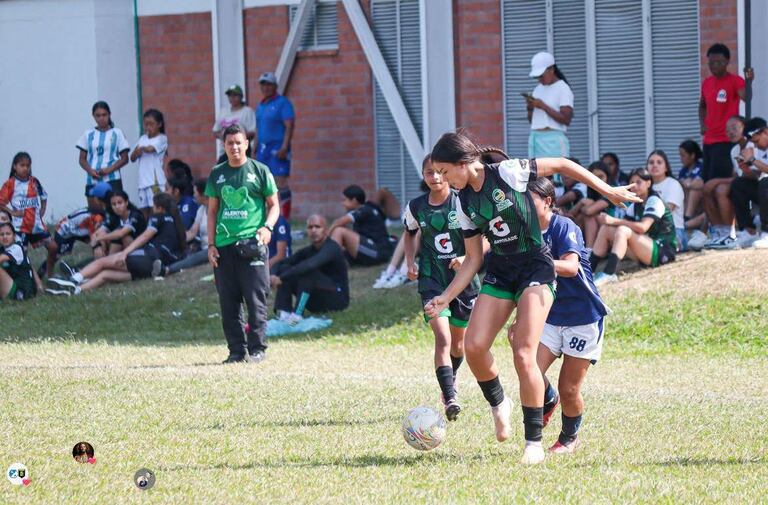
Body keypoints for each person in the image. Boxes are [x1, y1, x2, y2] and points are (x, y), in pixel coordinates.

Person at [424, 131, 638, 464]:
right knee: (475, 346)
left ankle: (533, 443)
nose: (440, 178)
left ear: (464, 163)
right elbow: (474, 260)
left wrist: (606, 189)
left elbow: (564, 164)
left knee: (524, 353)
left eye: (445, 171)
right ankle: (499, 403)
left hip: (535, 268)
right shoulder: (463, 201)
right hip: (500, 269)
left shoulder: (508, 172)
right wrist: (446, 296)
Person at [527, 176, 608, 454]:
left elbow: (571, 267)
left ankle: (569, 438)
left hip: (583, 317)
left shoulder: (564, 226)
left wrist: (538, 261)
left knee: (570, 388)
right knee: (529, 369)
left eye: (530, 199)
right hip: (550, 315)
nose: (523, 205)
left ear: (548, 201)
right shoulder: (526, 231)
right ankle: (549, 400)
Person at [403, 156, 479, 421]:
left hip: (464, 282)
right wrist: (410, 262)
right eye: (429, 173)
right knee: (443, 338)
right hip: (431, 280)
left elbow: (485, 236)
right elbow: (410, 233)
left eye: (438, 172)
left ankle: (452, 376)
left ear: (447, 173)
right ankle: (449, 397)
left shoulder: (463, 201)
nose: (434, 177)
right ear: (423, 175)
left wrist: (467, 259)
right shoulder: (416, 207)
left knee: (459, 344)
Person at [206, 124, 280, 364]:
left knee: (256, 299)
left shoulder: (260, 171)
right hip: (224, 246)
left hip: (252, 244)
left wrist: (267, 227)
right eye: (230, 143)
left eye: (239, 142)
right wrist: (210, 245)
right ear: (224, 146)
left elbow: (274, 205)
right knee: (228, 303)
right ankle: (236, 352)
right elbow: (212, 211)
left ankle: (257, 349)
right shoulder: (217, 174)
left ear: (246, 144)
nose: (235, 147)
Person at [46, 193, 186, 295]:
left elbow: (144, 236)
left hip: (147, 258)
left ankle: (72, 280)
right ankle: (75, 291)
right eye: (114, 204)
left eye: (153, 206)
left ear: (160, 208)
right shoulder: (177, 224)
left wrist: (125, 253)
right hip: (152, 269)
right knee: (105, 274)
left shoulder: (157, 217)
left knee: (102, 263)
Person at [591, 168, 677, 285]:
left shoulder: (654, 200)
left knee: (622, 230)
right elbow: (619, 228)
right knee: (606, 229)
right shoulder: (635, 205)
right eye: (632, 183)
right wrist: (609, 221)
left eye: (638, 182)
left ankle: (609, 273)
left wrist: (613, 220)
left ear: (648, 183)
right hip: (646, 249)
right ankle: (588, 272)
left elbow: (642, 227)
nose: (634, 186)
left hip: (663, 252)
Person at [271, 214, 349, 323]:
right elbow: (282, 263)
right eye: (310, 227)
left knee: (308, 272)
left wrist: (282, 278)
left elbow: (310, 265)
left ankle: (297, 315)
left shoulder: (332, 248)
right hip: (315, 301)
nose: (313, 230)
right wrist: (274, 275)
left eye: (317, 227)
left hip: (337, 299)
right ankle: (285, 312)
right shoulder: (308, 251)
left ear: (326, 230)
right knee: (285, 268)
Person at [699, 44, 753, 184]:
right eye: (711, 62)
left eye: (718, 62)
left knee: (716, 183)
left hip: (725, 140)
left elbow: (746, 98)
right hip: (708, 141)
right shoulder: (707, 83)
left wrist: (749, 82)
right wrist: (702, 124)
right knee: (706, 181)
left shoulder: (735, 81)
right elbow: (702, 105)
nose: (714, 65)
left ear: (727, 62)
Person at [0, 152, 58, 277]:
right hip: (20, 227)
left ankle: (49, 273)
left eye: (28, 165)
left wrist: (42, 210)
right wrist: (12, 212)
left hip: (36, 225)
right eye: (22, 165)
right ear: (15, 166)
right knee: (22, 256)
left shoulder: (34, 181)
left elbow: (44, 196)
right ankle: (28, 279)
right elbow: (1, 203)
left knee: (53, 247)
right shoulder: (10, 184)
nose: (25, 168)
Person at [255, 72, 295, 218]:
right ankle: (267, 217)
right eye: (263, 84)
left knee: (280, 182)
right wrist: (254, 149)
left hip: (277, 148)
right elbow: (259, 128)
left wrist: (285, 146)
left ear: (275, 86)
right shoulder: (260, 105)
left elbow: (289, 125)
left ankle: (284, 218)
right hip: (262, 149)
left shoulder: (283, 103)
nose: (266, 87)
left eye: (268, 84)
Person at [77, 101, 130, 206]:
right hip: (93, 179)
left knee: (114, 212)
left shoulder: (117, 133)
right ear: (93, 116)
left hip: (113, 179)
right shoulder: (88, 134)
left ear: (109, 114)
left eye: (104, 115)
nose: (101, 118)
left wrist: (109, 169)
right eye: (98, 115)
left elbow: (125, 158)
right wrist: (90, 170)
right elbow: (82, 159)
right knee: (95, 214)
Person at [525, 52, 573, 162]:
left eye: (541, 75)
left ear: (551, 69)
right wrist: (530, 107)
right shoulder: (538, 89)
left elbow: (566, 119)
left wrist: (543, 106)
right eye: (537, 77)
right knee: (537, 175)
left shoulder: (563, 88)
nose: (539, 79)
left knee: (557, 175)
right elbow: (531, 120)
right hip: (536, 137)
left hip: (554, 140)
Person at [330, 185, 395, 266]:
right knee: (341, 244)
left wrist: (325, 236)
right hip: (375, 250)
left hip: (377, 252)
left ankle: (330, 267)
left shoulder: (364, 210)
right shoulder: (368, 208)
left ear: (353, 200)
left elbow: (339, 222)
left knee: (339, 231)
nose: (343, 203)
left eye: (344, 200)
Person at [729, 117, 768, 248]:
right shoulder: (760, 150)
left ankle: (766, 232)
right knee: (738, 184)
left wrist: (751, 159)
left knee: (765, 182)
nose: (755, 146)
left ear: (765, 133)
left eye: (756, 141)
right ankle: (748, 231)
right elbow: (758, 175)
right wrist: (745, 168)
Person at [165, 178, 210, 275]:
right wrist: (176, 242)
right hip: (202, 247)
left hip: (214, 249)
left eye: (195, 193)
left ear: (202, 194)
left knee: (193, 258)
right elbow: (192, 232)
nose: (194, 196)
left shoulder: (218, 209)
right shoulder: (201, 210)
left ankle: (168, 270)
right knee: (185, 253)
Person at [131, 109, 169, 218]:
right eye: (146, 124)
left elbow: (150, 149)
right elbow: (132, 158)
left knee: (156, 208)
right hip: (143, 181)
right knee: (144, 209)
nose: (148, 127)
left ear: (159, 124)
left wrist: (141, 149)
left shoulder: (162, 138)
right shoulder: (142, 138)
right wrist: (136, 152)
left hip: (155, 180)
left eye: (151, 124)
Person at [647, 150, 686, 251]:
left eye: (659, 162)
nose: (655, 165)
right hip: (650, 230)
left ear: (666, 167)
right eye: (651, 163)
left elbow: (668, 209)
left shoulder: (673, 184)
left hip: (673, 231)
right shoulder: (645, 186)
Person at [90, 189, 147, 256]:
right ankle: (107, 260)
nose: (117, 207)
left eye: (120, 203)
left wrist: (98, 239)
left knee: (124, 237)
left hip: (143, 249)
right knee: (103, 234)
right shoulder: (114, 217)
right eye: (114, 204)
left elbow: (121, 233)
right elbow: (96, 233)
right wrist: (97, 246)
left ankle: (118, 261)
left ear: (126, 202)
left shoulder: (135, 215)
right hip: (122, 248)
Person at [212, 84, 256, 157]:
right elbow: (215, 131)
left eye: (235, 95)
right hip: (224, 152)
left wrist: (235, 137)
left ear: (241, 96)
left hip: (241, 151)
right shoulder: (223, 112)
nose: (232, 98)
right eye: (230, 96)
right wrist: (223, 137)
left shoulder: (247, 111)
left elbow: (253, 132)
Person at [0, 222, 37, 301]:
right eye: (2, 234)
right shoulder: (2, 249)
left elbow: (1, 259)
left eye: (8, 234)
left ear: (14, 236)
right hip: (10, 285)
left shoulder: (17, 248)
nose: (5, 237)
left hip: (22, 291)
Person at [677, 140, 705, 230]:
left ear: (692, 155)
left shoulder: (701, 167)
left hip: (701, 206)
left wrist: (688, 184)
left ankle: (687, 217)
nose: (681, 158)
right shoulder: (683, 170)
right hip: (687, 204)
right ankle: (685, 218)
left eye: (683, 155)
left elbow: (700, 184)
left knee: (695, 190)